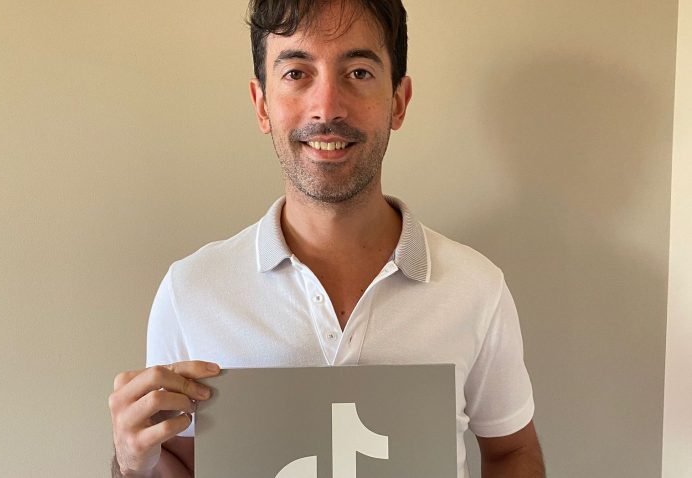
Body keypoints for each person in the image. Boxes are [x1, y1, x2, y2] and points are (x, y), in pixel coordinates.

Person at [108, 0, 546, 476]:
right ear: (262, 104)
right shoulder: (191, 290)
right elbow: (178, 461)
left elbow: (512, 452)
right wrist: (131, 465)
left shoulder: (476, 287)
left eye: (358, 72)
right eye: (296, 73)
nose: (327, 107)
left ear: (398, 101)